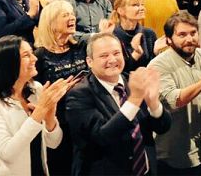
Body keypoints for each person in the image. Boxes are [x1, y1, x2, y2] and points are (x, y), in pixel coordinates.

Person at [64, 33, 172, 175]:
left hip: (146, 170)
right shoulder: (79, 94)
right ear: (89, 61)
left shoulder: (131, 81)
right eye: (104, 56)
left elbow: (162, 127)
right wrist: (134, 100)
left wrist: (154, 104)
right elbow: (100, 137)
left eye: (116, 53)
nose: (112, 60)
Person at [0, 35, 72, 176]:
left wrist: (50, 116)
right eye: (27, 55)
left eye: (32, 53)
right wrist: (40, 112)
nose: (34, 58)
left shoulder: (36, 89)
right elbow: (7, 153)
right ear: (9, 63)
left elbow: (54, 143)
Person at [147, 12, 201, 175]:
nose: (189, 39)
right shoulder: (157, 65)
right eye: (182, 35)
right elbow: (175, 100)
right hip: (176, 151)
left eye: (193, 33)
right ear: (168, 39)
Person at [32, 0, 89, 176]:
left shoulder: (81, 47)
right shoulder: (40, 55)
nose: (72, 18)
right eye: (65, 15)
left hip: (85, 117)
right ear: (51, 23)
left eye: (72, 14)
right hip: (58, 122)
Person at [110, 0, 158, 73]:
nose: (142, 8)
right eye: (135, 5)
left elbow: (153, 66)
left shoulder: (149, 33)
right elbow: (116, 70)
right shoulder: (111, 36)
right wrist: (135, 55)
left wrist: (156, 53)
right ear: (121, 11)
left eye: (142, 5)